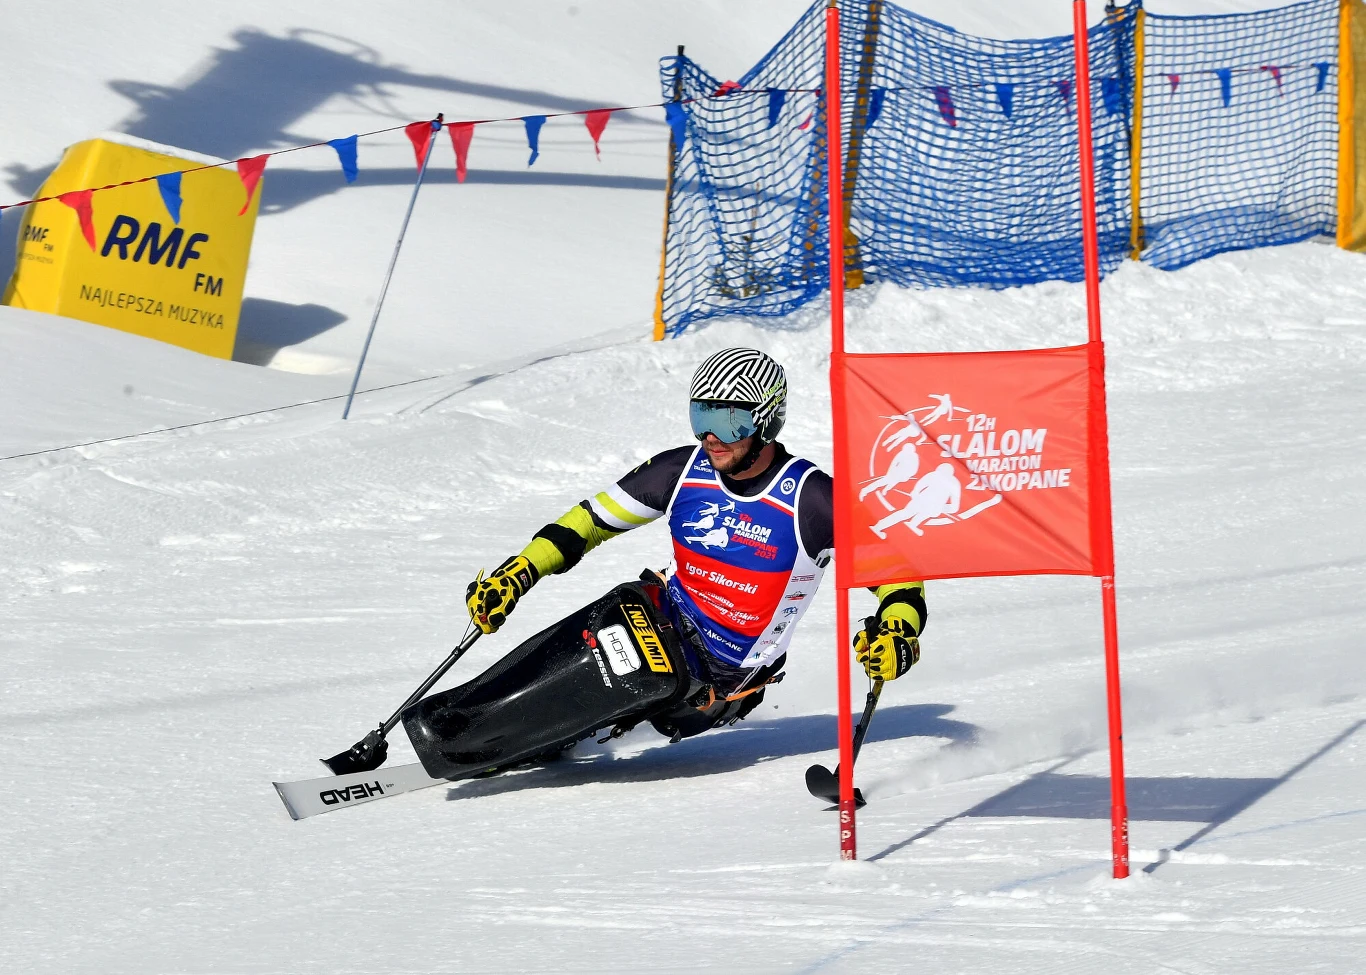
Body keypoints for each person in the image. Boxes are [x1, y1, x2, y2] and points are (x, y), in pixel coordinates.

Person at [402, 348, 928, 779]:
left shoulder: (811, 497)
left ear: (765, 421)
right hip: (665, 614)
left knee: (637, 669)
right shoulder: (684, 469)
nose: (711, 435)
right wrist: (520, 571)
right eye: (702, 415)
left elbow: (899, 575)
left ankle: (484, 739)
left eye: (727, 418)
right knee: (611, 623)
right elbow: (587, 523)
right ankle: (459, 723)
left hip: (720, 675)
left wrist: (896, 630)